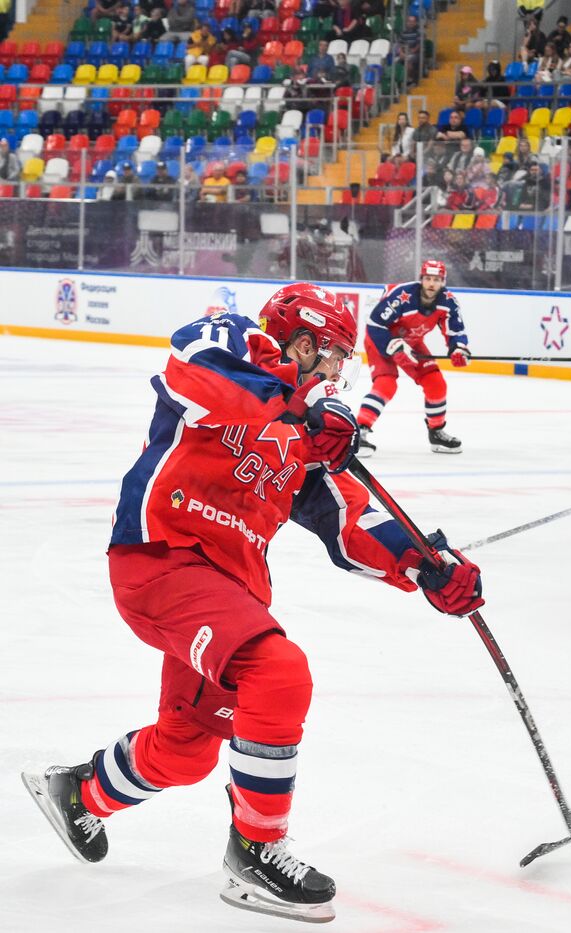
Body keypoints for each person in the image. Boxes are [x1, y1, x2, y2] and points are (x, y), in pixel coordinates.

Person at [20, 285, 486, 923]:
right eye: (332, 356)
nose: (337, 372)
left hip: (226, 592)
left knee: (185, 749)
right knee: (278, 673)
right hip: (163, 558)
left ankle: (80, 792)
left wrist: (425, 565)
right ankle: (256, 853)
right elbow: (194, 368)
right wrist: (294, 399)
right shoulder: (234, 343)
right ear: (302, 341)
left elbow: (352, 521)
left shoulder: (308, 435)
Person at [356, 260, 471, 456]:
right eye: (428, 279)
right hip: (380, 340)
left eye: (436, 279)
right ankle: (359, 431)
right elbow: (375, 324)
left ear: (443, 282)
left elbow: (455, 331)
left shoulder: (448, 302)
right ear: (421, 279)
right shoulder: (403, 296)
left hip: (412, 341)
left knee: (436, 383)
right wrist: (394, 347)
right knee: (386, 384)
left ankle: (436, 432)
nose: (431, 284)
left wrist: (458, 348)